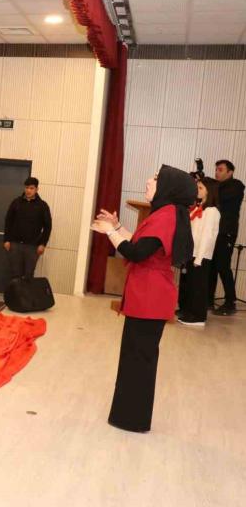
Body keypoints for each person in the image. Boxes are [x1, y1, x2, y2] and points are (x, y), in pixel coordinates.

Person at [91, 165, 196, 433]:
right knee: (136, 357)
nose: (149, 181)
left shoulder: (166, 215)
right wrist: (117, 227)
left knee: (138, 360)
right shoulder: (164, 213)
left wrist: (110, 232)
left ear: (168, 188)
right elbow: (142, 245)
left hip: (150, 296)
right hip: (148, 294)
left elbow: (136, 253)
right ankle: (129, 416)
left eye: (156, 179)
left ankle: (132, 419)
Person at [177, 177, 220, 327]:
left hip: (201, 255)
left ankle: (198, 316)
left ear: (210, 191)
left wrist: (199, 258)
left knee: (198, 287)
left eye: (200, 188)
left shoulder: (212, 211)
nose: (197, 190)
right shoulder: (199, 208)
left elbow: (207, 237)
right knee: (190, 285)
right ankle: (189, 311)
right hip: (193, 252)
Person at [208, 159, 245, 315]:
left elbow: (220, 197)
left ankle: (230, 303)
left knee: (223, 266)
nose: (217, 172)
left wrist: (209, 185)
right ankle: (208, 301)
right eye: (216, 169)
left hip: (227, 231)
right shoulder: (216, 186)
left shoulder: (237, 186)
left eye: (221, 169)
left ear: (230, 172)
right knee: (211, 266)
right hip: (214, 231)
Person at [3, 177, 52, 280]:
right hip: (15, 244)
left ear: (37, 189)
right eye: (26, 187)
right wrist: (6, 239)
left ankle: (26, 291)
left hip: (33, 247)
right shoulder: (16, 202)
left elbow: (48, 226)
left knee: (28, 275)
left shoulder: (42, 206)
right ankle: (15, 291)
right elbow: (8, 221)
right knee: (15, 275)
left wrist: (43, 244)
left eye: (31, 188)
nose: (28, 190)